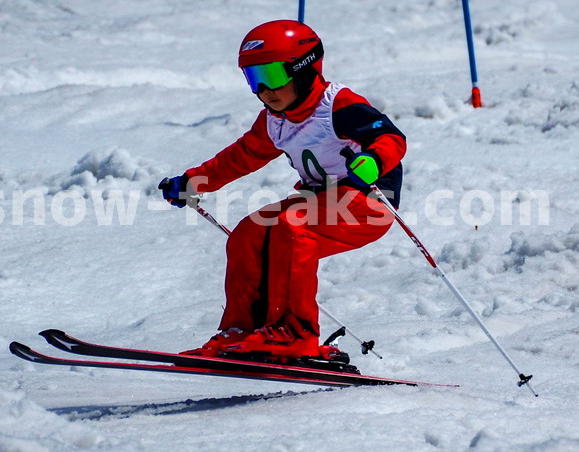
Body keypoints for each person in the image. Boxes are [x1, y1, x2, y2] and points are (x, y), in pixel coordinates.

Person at [158, 19, 406, 361]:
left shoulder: (337, 105)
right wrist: (193, 181)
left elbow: (391, 138)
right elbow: (242, 156)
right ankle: (242, 330)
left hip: (367, 203)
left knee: (292, 224)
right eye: (254, 80)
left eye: (273, 77)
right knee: (249, 232)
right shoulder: (274, 119)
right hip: (318, 201)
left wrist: (374, 160)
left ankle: (294, 334)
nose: (265, 90)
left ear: (303, 69)